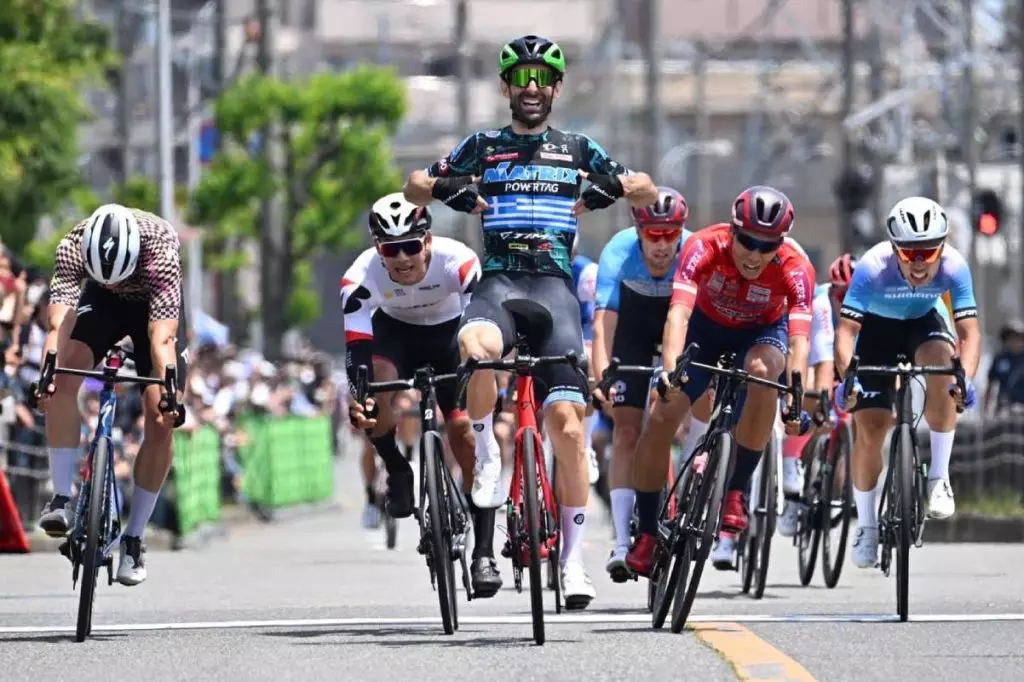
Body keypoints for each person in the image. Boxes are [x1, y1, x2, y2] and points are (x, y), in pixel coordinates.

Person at [403, 34, 658, 609]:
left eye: (543, 79)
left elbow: (646, 188)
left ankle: (572, 562)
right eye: (522, 79)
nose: (533, 88)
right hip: (500, 285)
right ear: (507, 87)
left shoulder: (575, 147)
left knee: (568, 425)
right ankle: (490, 458)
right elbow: (413, 186)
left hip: (553, 292)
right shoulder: (484, 146)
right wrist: (460, 195)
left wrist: (597, 193)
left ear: (557, 88)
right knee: (474, 342)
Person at [624, 186, 816, 575]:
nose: (755, 254)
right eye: (747, 241)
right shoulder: (703, 246)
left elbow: (799, 340)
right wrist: (669, 371)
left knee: (766, 374)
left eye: (767, 247)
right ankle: (645, 532)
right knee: (661, 416)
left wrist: (795, 398)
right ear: (732, 231)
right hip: (704, 331)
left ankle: (734, 491)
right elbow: (677, 313)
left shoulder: (796, 268)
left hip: (761, 334)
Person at [341, 194, 498, 594]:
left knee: (465, 435)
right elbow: (357, 350)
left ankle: (483, 550)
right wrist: (362, 399)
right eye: (391, 249)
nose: (402, 258)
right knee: (376, 393)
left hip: (451, 334)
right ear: (378, 249)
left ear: (427, 241)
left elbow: (478, 326)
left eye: (411, 246)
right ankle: (396, 466)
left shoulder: (457, 261)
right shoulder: (360, 277)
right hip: (396, 336)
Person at [34, 203, 188, 586]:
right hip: (99, 302)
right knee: (62, 383)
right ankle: (62, 498)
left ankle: (134, 537)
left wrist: (168, 388)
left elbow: (162, 338)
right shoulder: (73, 245)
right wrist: (47, 373)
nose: (118, 284)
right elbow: (58, 324)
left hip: (152, 308)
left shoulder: (162, 251)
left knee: (159, 417)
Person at [833, 196, 981, 569]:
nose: (918, 264)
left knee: (943, 366)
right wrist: (846, 376)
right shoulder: (871, 267)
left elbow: (969, 332)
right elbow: (847, 330)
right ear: (894, 248)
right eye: (909, 253)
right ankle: (866, 524)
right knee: (870, 427)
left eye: (928, 254)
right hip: (876, 331)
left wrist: (966, 378)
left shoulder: (956, 265)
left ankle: (938, 478)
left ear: (942, 249)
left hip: (924, 322)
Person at [588, 187, 704, 580]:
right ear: (638, 231)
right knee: (625, 431)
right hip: (633, 329)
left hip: (681, 323)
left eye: (670, 234)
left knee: (701, 398)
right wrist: (602, 374)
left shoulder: (693, 251)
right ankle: (622, 542)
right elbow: (604, 324)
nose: (661, 243)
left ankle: (694, 476)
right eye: (653, 234)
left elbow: (702, 322)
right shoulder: (618, 252)